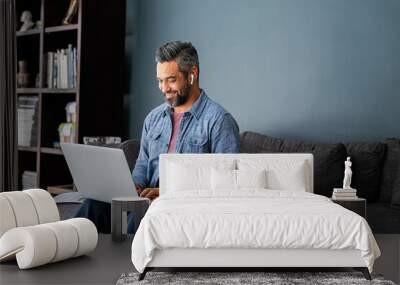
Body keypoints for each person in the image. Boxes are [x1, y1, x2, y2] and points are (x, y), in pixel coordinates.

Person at [74, 41, 240, 232]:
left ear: (192, 75)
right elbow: (143, 165)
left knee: (139, 219)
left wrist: (165, 192)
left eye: (171, 80)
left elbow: (226, 184)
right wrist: (133, 186)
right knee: (92, 206)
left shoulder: (219, 121)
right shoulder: (154, 118)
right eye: (160, 81)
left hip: (181, 206)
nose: (164, 88)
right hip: (145, 200)